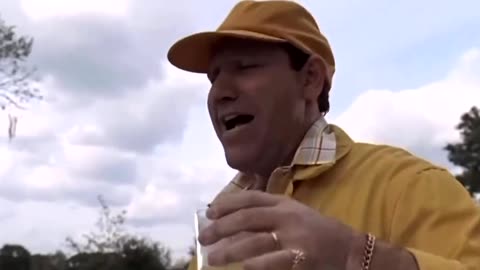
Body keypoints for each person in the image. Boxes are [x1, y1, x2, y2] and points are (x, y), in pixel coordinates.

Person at [167, 1, 480, 269]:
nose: (219, 92)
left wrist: (354, 256)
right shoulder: (218, 223)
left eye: (245, 67)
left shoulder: (411, 185)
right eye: (214, 77)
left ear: (311, 80)